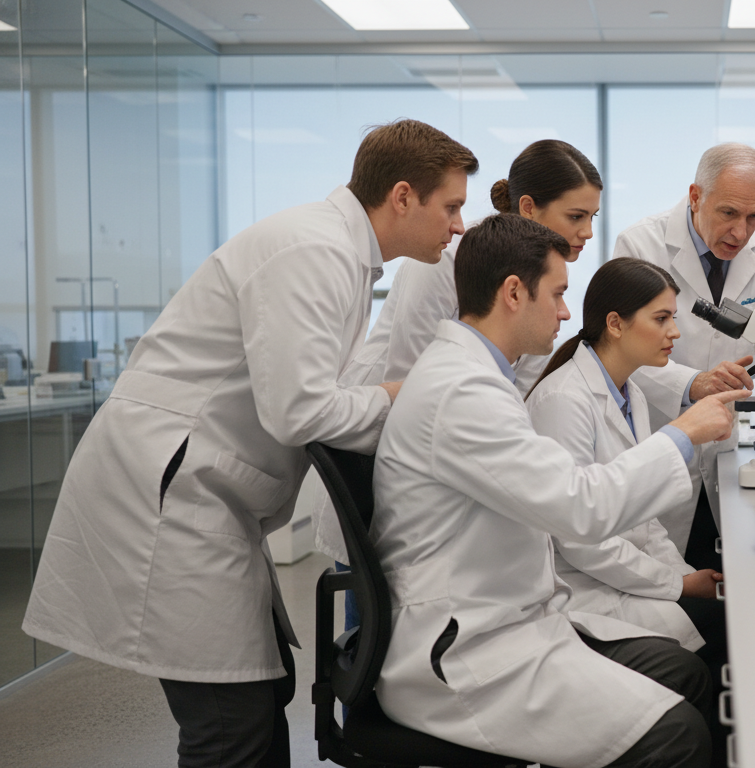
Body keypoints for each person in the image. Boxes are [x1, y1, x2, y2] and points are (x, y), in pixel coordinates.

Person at [22, 119, 477, 768]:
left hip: (209, 498)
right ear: (403, 196)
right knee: (230, 727)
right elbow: (302, 411)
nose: (460, 225)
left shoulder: (342, 255)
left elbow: (319, 392)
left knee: (262, 702)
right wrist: (410, 399)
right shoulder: (314, 250)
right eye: (452, 206)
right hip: (171, 496)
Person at [371, 213, 748, 768]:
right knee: (680, 736)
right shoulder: (464, 391)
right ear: (514, 292)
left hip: (515, 617)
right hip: (467, 647)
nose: (568, 313)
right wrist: (683, 435)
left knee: (686, 675)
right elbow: (581, 507)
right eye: (558, 294)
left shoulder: (476, 376)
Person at [314, 139, 602, 575]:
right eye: (576, 217)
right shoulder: (444, 260)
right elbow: (412, 383)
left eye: (592, 217)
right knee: (377, 614)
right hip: (379, 454)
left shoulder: (539, 274)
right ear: (528, 207)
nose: (588, 232)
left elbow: (520, 387)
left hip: (453, 462)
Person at [614, 142, 755, 572]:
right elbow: (622, 354)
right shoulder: (641, 243)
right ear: (695, 196)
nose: (742, 233)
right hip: (665, 439)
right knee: (669, 579)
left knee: (736, 577)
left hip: (732, 444)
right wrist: (692, 383)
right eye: (728, 213)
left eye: (754, 216)